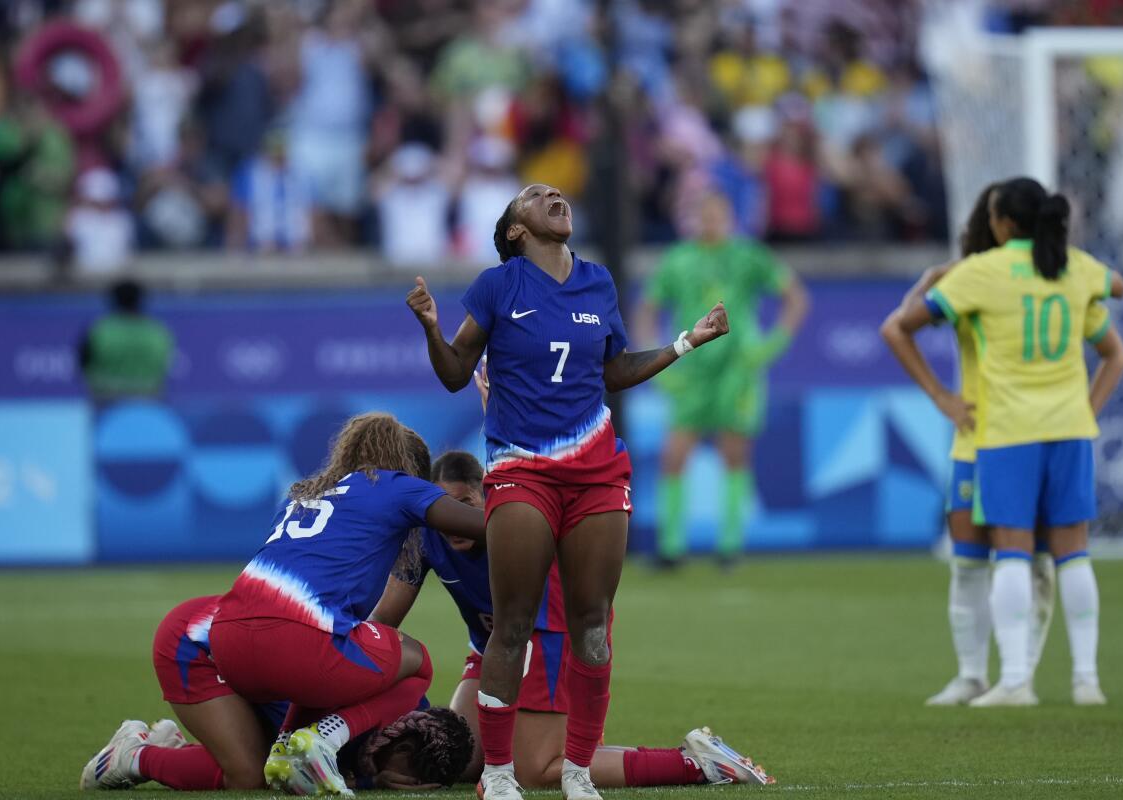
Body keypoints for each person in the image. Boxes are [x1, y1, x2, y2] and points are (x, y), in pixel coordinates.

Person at [405, 182, 733, 800]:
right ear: (514, 231)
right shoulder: (498, 285)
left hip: (598, 472)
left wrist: (686, 342)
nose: (554, 194)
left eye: (556, 192)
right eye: (535, 195)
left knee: (592, 626)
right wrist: (430, 327)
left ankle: (579, 771)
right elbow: (455, 374)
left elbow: (614, 370)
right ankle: (499, 776)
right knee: (513, 626)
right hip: (522, 469)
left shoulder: (598, 281)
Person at [372, 450, 772, 789]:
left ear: (488, 496)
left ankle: (696, 764)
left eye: (468, 503)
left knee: (537, 770)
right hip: (492, 655)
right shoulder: (425, 537)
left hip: (549, 642)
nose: (455, 518)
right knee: (459, 757)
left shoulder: (516, 523)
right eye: (448, 506)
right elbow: (384, 622)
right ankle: (573, 741)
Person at [880, 176, 1123, 707]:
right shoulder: (1057, 271)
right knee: (983, 560)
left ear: (1001, 222)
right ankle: (991, 675)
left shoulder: (980, 276)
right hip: (1007, 434)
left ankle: (1018, 676)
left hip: (1002, 435)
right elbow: (1119, 302)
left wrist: (942, 395)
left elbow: (898, 325)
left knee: (1019, 559)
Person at [197, 412, 484, 795]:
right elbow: (483, 525)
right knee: (416, 661)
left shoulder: (304, 493)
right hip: (297, 640)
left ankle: (287, 747)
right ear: (407, 467)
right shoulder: (397, 485)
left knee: (324, 673)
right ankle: (325, 740)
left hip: (226, 640)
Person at [79, 595, 472, 792]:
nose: (401, 788)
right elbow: (293, 734)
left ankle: (172, 748)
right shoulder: (379, 687)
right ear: (401, 748)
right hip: (196, 644)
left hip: (254, 661)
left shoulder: (408, 720)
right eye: (407, 781)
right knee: (251, 774)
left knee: (269, 759)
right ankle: (134, 757)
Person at [635, 191, 809, 567]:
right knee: (673, 456)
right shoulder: (678, 260)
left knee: (734, 455)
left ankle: (729, 548)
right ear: (694, 219)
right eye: (705, 214)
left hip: (737, 371)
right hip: (691, 372)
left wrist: (769, 347)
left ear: (730, 218)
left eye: (718, 214)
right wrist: (656, 362)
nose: (711, 221)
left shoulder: (749, 255)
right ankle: (671, 549)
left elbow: (796, 298)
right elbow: (646, 310)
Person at [79, 279, 174, 401]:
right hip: (149, 398)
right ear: (141, 300)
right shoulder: (158, 332)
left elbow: (84, 364)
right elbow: (165, 365)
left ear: (113, 300)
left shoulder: (99, 331)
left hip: (107, 398)